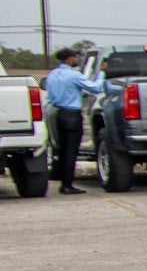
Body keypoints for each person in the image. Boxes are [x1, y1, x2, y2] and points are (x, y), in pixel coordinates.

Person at [41, 47, 105, 194]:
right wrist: (101, 73)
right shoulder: (73, 75)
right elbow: (95, 88)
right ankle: (67, 185)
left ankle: (62, 181)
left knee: (61, 150)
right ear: (69, 59)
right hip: (72, 116)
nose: (76, 59)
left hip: (57, 115)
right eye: (75, 57)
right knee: (71, 152)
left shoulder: (52, 75)